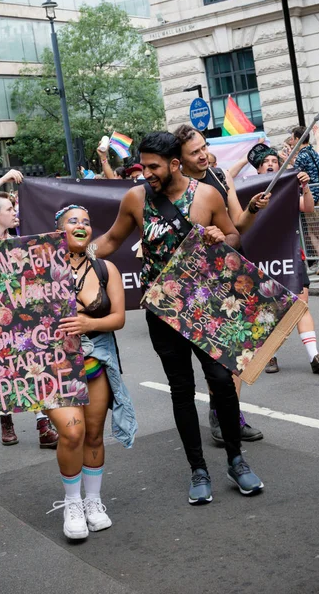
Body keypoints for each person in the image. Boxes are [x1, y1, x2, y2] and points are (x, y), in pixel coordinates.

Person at [92, 131, 264, 504]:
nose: (146, 172)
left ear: (173, 164)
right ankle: (197, 469)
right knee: (182, 389)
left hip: (205, 307)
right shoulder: (136, 198)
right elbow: (110, 241)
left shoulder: (206, 195)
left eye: (153, 167)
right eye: (143, 165)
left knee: (221, 379)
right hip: (162, 311)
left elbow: (235, 236)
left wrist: (222, 236)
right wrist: (76, 253)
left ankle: (236, 461)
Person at [0, 204, 136, 540]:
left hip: (96, 362)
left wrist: (90, 323)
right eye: (73, 221)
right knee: (71, 433)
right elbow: (4, 314)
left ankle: (93, 501)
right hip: (52, 367)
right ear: (59, 230)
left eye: (86, 222)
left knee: (94, 434)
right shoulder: (33, 270)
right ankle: (72, 503)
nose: (82, 226)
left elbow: (118, 318)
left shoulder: (106, 269)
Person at [173, 125, 271, 444]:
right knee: (217, 353)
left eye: (204, 147)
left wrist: (253, 208)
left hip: (232, 269)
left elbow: (237, 225)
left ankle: (230, 413)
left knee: (238, 349)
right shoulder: (174, 190)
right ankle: (222, 413)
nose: (203, 154)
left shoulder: (219, 176)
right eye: (194, 151)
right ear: (179, 159)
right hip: (200, 280)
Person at [0, 170, 59, 449]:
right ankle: (6, 418)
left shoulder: (22, 235)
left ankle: (43, 423)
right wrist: (4, 179)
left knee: (34, 364)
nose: (14, 212)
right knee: (4, 367)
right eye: (9, 209)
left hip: (24, 314)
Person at [246, 144, 319, 375]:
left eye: (275, 160)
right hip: (263, 258)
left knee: (300, 306)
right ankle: (269, 356)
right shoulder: (248, 191)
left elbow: (309, 209)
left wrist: (304, 187)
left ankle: (314, 355)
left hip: (291, 255)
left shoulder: (287, 187)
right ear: (259, 169)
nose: (272, 163)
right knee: (266, 308)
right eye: (266, 162)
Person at [289, 126, 319, 275]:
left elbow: (295, 175)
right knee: (317, 230)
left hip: (312, 196)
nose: (292, 142)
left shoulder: (301, 156)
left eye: (293, 138)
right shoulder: (312, 151)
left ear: (298, 139)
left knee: (316, 231)